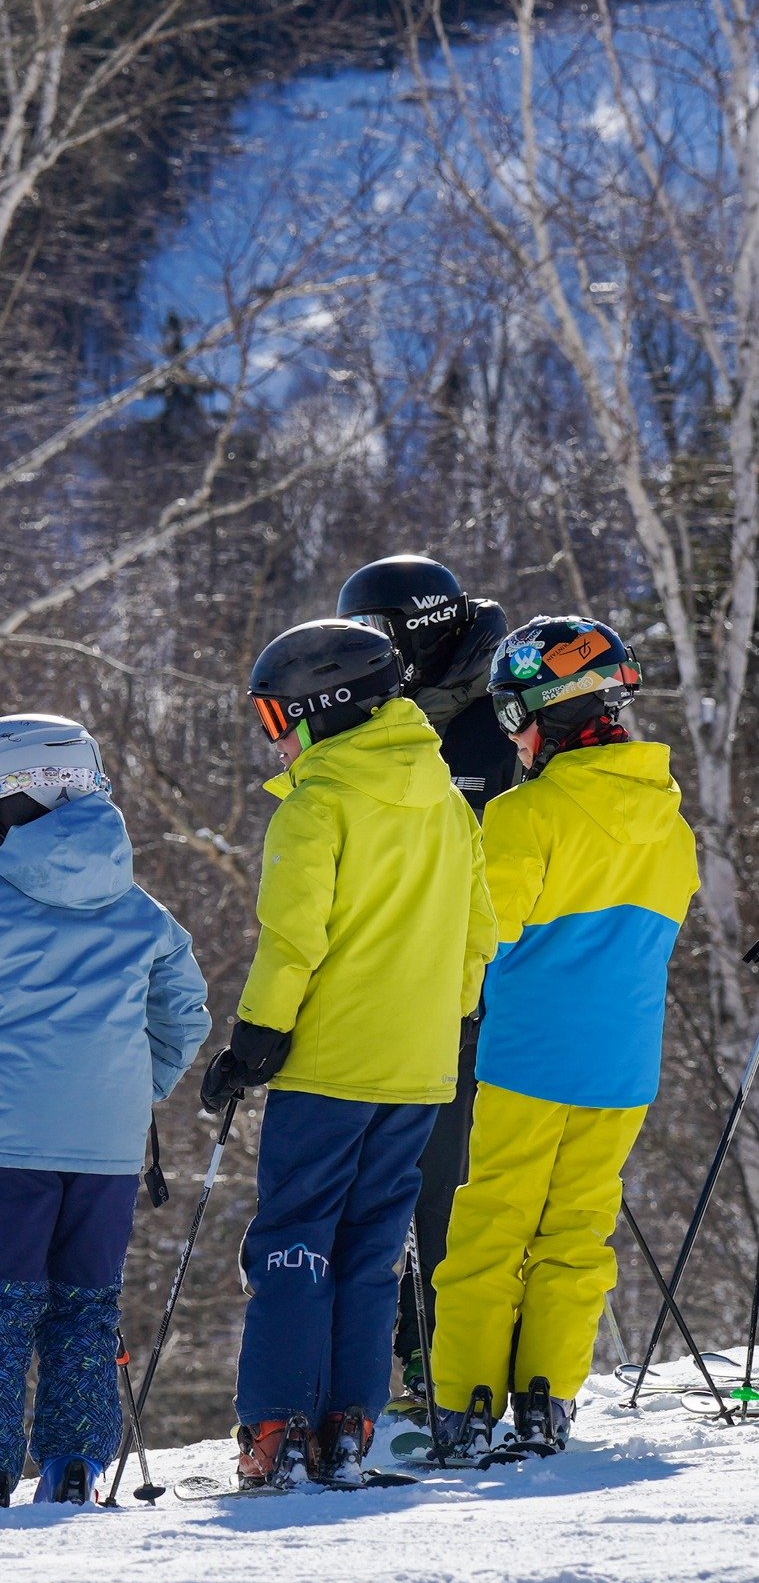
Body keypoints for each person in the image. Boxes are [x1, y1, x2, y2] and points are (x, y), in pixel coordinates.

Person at [0, 714, 210, 1511]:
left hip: (7, 1144)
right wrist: (133, 1089)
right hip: (107, 1152)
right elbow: (186, 1014)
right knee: (84, 1308)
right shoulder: (139, 910)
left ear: (5, 800)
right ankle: (72, 1471)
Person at [203, 621, 495, 1490]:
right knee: (372, 1250)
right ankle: (347, 1426)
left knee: (296, 1241)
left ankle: (276, 1427)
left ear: (320, 708)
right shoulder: (443, 798)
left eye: (277, 715)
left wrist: (255, 1038)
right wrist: (433, 1022)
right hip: (417, 1068)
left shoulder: (318, 802)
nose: (279, 735)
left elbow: (292, 938)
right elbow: (478, 935)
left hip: (328, 1064)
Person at [430, 618, 697, 1461]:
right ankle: (546, 1398)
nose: (512, 737)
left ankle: (464, 1400)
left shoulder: (524, 815)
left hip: (527, 1057)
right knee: (577, 1233)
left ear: (548, 716)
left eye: (513, 718)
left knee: (490, 1227)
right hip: (621, 1066)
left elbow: (483, 935)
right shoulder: (669, 823)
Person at [337, 554, 518, 1404]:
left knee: (454, 1179)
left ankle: (453, 1362)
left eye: (377, 632)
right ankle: (411, 1355)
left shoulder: (500, 708)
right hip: (396, 976)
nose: (368, 652)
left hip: (491, 978)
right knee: (395, 1179)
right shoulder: (381, 721)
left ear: (418, 625)